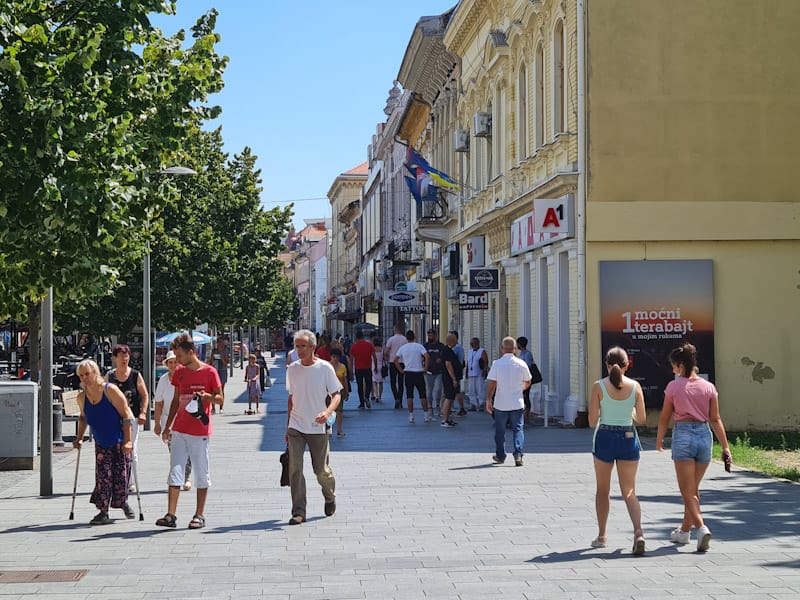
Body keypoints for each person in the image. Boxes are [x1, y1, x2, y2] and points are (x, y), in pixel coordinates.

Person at [656, 343, 732, 552]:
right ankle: (684, 532)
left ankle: (701, 528)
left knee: (686, 491)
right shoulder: (708, 387)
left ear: (680, 366)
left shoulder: (673, 387)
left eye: (674, 367)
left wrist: (659, 439)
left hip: (683, 436)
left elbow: (664, 417)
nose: (673, 371)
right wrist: (725, 447)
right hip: (704, 436)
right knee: (693, 489)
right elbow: (715, 419)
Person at [157, 333, 223, 529]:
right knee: (175, 471)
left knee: (201, 472)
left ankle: (199, 514)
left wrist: (206, 396)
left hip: (200, 431)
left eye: (179, 356)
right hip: (179, 429)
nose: (177, 360)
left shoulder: (210, 372)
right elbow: (176, 400)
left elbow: (220, 399)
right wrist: (167, 427)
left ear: (191, 352)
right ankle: (171, 515)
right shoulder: (179, 372)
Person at [589, 346, 647, 555]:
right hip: (628, 438)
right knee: (629, 491)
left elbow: (592, 420)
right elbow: (641, 419)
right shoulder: (635, 386)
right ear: (627, 365)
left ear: (606, 364)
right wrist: (629, 411)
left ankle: (602, 535)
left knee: (603, 490)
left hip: (604, 437)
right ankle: (638, 532)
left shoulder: (598, 386)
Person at [285, 330, 342, 525]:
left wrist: (327, 412)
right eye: (296, 346)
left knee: (321, 471)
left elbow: (336, 394)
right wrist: (287, 426)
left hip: (318, 427)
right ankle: (298, 511)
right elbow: (291, 399)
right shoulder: (291, 369)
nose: (299, 350)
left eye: (303, 346)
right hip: (296, 426)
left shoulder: (325, 368)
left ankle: (329, 495)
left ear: (313, 347)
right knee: (295, 468)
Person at [73, 359, 135, 525]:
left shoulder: (110, 390)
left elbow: (126, 415)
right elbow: (83, 417)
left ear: (95, 373)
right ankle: (103, 511)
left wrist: (128, 441)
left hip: (119, 440)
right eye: (81, 375)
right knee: (103, 477)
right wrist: (79, 438)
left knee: (121, 476)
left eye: (87, 374)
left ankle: (122, 502)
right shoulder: (81, 397)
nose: (85, 378)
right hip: (101, 442)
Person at [105, 344, 148, 492]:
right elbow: (102, 395)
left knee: (131, 448)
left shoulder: (135, 375)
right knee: (114, 450)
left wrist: (143, 412)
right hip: (113, 420)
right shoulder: (110, 376)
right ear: (114, 358)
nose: (125, 359)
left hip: (132, 419)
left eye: (127, 355)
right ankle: (117, 478)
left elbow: (144, 395)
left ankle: (130, 481)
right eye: (121, 356)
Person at [485, 337, 532, 466]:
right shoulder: (521, 363)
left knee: (500, 431)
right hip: (517, 402)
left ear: (502, 349)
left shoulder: (497, 364)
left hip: (501, 403)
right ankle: (518, 453)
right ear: (515, 349)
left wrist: (488, 399)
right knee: (518, 429)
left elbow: (492, 383)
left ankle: (500, 455)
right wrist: (520, 389)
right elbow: (528, 381)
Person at [153, 350, 192, 491]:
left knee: (187, 451)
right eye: (170, 362)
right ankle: (178, 477)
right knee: (175, 452)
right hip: (168, 423)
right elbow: (158, 403)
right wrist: (157, 424)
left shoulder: (187, 377)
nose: (173, 365)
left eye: (175, 362)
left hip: (186, 421)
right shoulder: (163, 380)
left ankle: (185, 477)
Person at [394, 330, 430, 423]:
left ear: (406, 338)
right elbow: (427, 356)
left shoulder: (403, 348)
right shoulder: (419, 346)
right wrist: (425, 368)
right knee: (422, 395)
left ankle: (411, 415)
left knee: (409, 395)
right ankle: (426, 415)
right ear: (414, 337)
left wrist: (401, 370)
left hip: (408, 373)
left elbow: (395, 359)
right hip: (418, 372)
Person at [439, 332, 463, 428]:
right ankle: (445, 419)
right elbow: (448, 365)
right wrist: (453, 379)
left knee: (451, 397)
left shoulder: (447, 350)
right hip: (449, 378)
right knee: (448, 398)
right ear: (452, 341)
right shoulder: (447, 351)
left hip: (449, 378)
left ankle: (448, 418)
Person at [348, 330, 377, 409]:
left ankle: (361, 403)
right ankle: (367, 396)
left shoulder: (354, 346)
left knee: (360, 386)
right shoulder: (369, 345)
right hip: (367, 367)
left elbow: (351, 359)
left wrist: (351, 371)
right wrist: (376, 366)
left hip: (358, 368)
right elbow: (374, 356)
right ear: (363, 337)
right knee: (369, 383)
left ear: (356, 337)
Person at [384, 324, 407, 409]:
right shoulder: (405, 339)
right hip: (402, 362)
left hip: (393, 362)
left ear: (395, 330)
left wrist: (386, 358)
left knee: (393, 382)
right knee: (401, 382)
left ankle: (396, 397)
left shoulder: (391, 339)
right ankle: (400, 400)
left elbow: (386, 351)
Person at [424, 329, 447, 415]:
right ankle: (430, 405)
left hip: (439, 371)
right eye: (429, 335)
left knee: (438, 389)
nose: (430, 337)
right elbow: (422, 356)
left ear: (435, 336)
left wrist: (441, 359)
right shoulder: (425, 346)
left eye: (431, 335)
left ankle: (437, 404)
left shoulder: (441, 346)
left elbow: (444, 356)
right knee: (429, 390)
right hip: (429, 371)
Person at [330, 348, 350, 437]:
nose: (335, 359)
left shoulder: (342, 367)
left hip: (339, 391)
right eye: (334, 357)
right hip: (328, 391)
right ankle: (328, 430)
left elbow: (344, 380)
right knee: (329, 410)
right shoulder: (327, 366)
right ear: (331, 357)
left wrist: (346, 391)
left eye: (337, 357)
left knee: (339, 411)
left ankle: (339, 429)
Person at [207, 337, 229, 414]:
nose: (219, 344)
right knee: (213, 389)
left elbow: (226, 363)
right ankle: (213, 408)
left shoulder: (226, 351)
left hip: (223, 370)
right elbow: (211, 361)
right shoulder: (214, 351)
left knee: (221, 390)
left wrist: (222, 358)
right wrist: (212, 358)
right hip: (215, 371)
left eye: (220, 342)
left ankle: (221, 407)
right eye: (218, 342)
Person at [466, 337, 488, 411]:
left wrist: (484, 371)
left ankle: (481, 404)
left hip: (479, 373)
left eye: (474, 343)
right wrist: (466, 372)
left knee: (480, 389)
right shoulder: (470, 352)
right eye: (471, 343)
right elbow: (468, 363)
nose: (472, 344)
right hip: (471, 373)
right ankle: (473, 404)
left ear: (477, 343)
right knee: (471, 390)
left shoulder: (482, 351)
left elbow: (485, 362)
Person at [516, 336, 534, 423]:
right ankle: (523, 413)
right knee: (522, 395)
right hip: (519, 379)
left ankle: (527, 414)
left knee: (526, 395)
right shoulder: (522, 353)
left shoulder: (527, 354)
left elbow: (528, 365)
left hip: (525, 379)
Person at [449, 331, 467, 416]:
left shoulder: (458, 348)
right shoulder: (452, 348)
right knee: (453, 391)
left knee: (456, 391)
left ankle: (461, 408)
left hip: (456, 371)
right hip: (452, 371)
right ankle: (451, 407)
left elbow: (459, 361)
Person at [371, 337, 384, 404]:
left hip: (374, 366)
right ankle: (380, 396)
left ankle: (376, 395)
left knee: (374, 382)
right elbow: (384, 358)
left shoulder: (373, 349)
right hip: (381, 366)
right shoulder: (382, 349)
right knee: (381, 382)